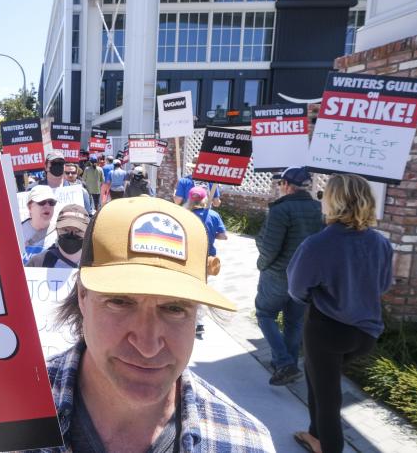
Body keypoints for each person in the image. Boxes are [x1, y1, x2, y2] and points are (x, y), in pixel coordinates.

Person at [22, 197, 275, 453]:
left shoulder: (246, 444)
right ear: (82, 296)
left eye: (174, 309)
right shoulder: (10, 412)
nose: (148, 346)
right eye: (120, 302)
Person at [288, 174, 392, 453]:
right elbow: (383, 285)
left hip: (327, 331)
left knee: (328, 399)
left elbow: (296, 289)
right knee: (316, 378)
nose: (321, 200)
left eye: (325, 195)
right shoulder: (381, 243)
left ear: (334, 202)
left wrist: (319, 296)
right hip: (366, 333)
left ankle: (328, 446)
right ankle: (315, 436)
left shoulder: (317, 244)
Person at [255, 166, 324, 386]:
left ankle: (284, 363)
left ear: (286, 185)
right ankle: (288, 365)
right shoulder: (319, 209)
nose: (280, 187)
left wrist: (261, 265)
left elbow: (270, 248)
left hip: (278, 274)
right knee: (294, 322)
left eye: (280, 183)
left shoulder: (281, 210)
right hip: (305, 277)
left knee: (265, 314)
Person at [184, 186, 227, 337]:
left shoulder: (185, 215)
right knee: (202, 287)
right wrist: (211, 234)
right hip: (207, 258)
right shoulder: (213, 215)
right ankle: (199, 323)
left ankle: (187, 318)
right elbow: (224, 236)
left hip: (187, 257)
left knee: (188, 287)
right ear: (204, 199)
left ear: (190, 199)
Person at [25, 204, 89, 268]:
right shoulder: (39, 262)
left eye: (78, 231)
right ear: (57, 229)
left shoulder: (93, 263)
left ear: (88, 233)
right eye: (65, 229)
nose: (71, 234)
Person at [21, 185, 58, 262]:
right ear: (30, 207)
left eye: (51, 202)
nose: (47, 206)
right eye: (42, 202)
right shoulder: (17, 232)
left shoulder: (60, 234)